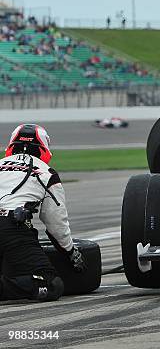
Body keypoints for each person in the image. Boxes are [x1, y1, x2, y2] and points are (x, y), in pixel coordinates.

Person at [0, 124, 85, 302]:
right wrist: (71, 253)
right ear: (44, 147)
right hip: (11, 227)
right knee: (51, 284)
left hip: (10, 226)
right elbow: (56, 224)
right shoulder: (47, 173)